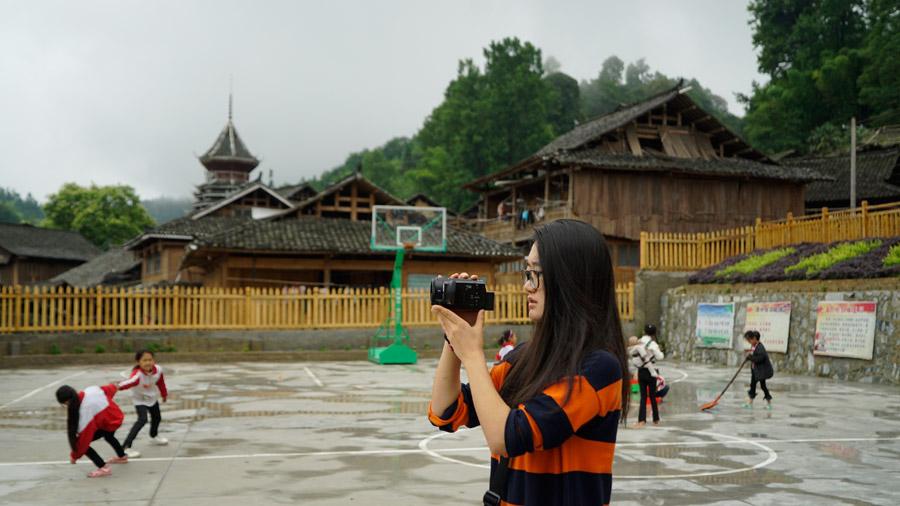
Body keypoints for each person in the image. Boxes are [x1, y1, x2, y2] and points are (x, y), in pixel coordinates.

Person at [428, 219, 630, 506]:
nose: (526, 286)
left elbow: (508, 437)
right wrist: (454, 337)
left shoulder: (599, 369)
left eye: (535, 274)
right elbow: (445, 411)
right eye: (527, 272)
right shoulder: (522, 358)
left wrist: (472, 354)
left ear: (569, 279)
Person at [55, 383, 128, 478]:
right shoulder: (91, 390)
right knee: (109, 436)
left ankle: (104, 468)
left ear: (67, 402)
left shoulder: (84, 413)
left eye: (65, 404)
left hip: (109, 423)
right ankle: (122, 457)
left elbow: (84, 440)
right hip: (116, 416)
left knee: (80, 444)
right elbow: (110, 389)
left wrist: (74, 456)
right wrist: (117, 386)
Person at [117, 349, 169, 457]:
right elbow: (127, 383)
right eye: (144, 360)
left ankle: (153, 436)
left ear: (153, 360)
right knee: (142, 420)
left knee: (157, 418)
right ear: (138, 362)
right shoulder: (137, 375)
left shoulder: (158, 370)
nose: (148, 362)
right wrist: (114, 387)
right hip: (140, 400)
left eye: (150, 360)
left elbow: (161, 382)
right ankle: (126, 447)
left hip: (152, 398)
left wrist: (164, 394)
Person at [635, 324, 664, 427]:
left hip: (641, 370)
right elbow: (660, 357)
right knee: (652, 395)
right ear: (654, 333)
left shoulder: (638, 341)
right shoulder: (653, 344)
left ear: (644, 331)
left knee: (643, 396)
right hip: (652, 371)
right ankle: (655, 419)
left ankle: (641, 420)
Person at [743, 330, 774, 410]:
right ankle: (750, 403)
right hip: (755, 371)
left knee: (763, 386)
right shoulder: (754, 346)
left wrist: (750, 358)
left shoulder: (760, 347)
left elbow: (759, 359)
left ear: (754, 338)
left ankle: (769, 403)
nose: (749, 342)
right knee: (752, 386)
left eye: (749, 340)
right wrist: (749, 357)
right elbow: (753, 357)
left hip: (761, 372)